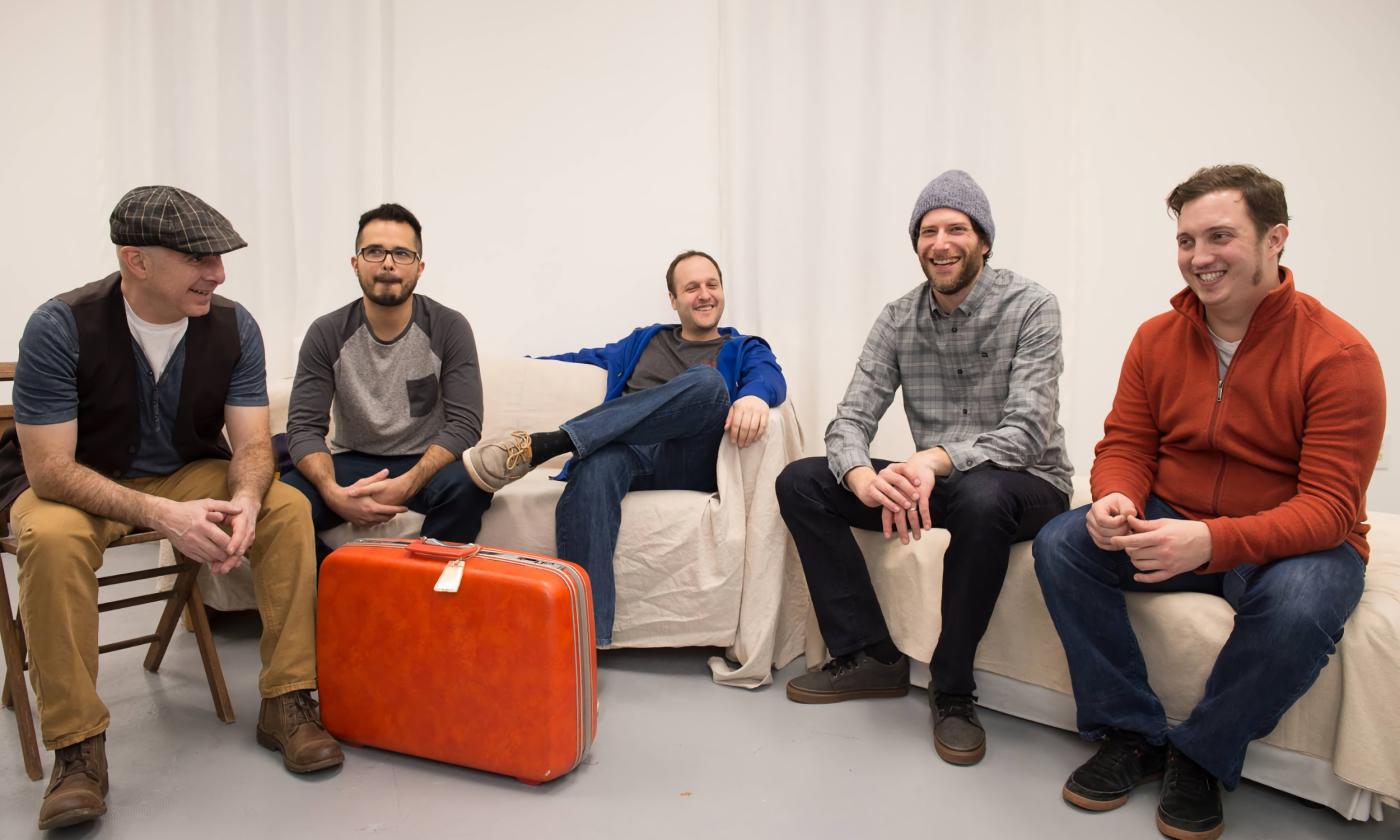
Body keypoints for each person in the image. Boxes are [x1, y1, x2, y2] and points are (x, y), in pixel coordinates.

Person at [1032, 164, 1385, 840]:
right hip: (1174, 515)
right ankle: (1129, 732)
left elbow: (1331, 509)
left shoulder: (1340, 355)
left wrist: (1214, 541)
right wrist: (1116, 498)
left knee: (1303, 603)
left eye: (1219, 236)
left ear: (1275, 239)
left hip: (1295, 538)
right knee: (1061, 544)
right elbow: (1126, 444)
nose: (1198, 258)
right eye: (1186, 240)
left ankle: (1200, 753)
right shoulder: (1155, 339)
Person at [0, 186, 341, 831]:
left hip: (186, 471)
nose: (216, 273)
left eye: (219, 258)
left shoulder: (234, 325)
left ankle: (288, 701)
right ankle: (77, 749)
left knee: (285, 507)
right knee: (50, 539)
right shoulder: (59, 325)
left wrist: (243, 498)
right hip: (80, 483)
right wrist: (163, 518)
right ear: (137, 261)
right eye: (197, 258)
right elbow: (49, 468)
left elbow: (248, 443)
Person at [776, 170, 1072, 767]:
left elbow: (1027, 431)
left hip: (1029, 482)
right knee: (802, 481)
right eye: (928, 230)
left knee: (983, 497)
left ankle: (953, 688)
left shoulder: (1033, 305)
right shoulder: (897, 318)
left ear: (984, 240)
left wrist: (932, 461)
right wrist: (862, 476)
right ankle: (872, 656)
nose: (941, 242)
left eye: (956, 228)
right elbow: (849, 421)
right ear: (916, 244)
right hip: (941, 484)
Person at [462, 250, 785, 645]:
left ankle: (555, 442)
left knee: (707, 383)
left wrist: (754, 396)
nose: (704, 295)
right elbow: (578, 360)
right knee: (595, 465)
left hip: (688, 458)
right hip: (628, 455)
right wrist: (506, 369)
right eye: (691, 287)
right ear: (673, 299)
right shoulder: (644, 341)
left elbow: (770, 377)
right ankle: (583, 645)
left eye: (711, 285)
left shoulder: (743, 347)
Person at [280, 203, 490, 560]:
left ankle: (423, 589)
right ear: (356, 262)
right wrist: (331, 491)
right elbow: (303, 426)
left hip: (426, 463)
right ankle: (343, 585)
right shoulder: (326, 332)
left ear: (419, 268)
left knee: (468, 485)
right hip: (351, 461)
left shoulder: (449, 327)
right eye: (374, 251)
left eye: (402, 253)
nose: (388, 263)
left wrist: (407, 484)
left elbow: (465, 423)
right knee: (282, 505)